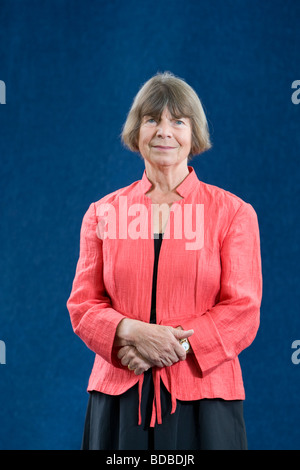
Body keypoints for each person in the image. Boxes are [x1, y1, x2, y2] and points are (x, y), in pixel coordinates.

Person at [66, 71, 262, 450]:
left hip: (205, 398)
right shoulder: (101, 212)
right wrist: (135, 334)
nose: (164, 131)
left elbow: (242, 309)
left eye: (178, 121)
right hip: (119, 395)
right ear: (136, 131)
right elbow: (83, 305)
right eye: (152, 119)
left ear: (194, 133)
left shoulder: (234, 213)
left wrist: (173, 348)